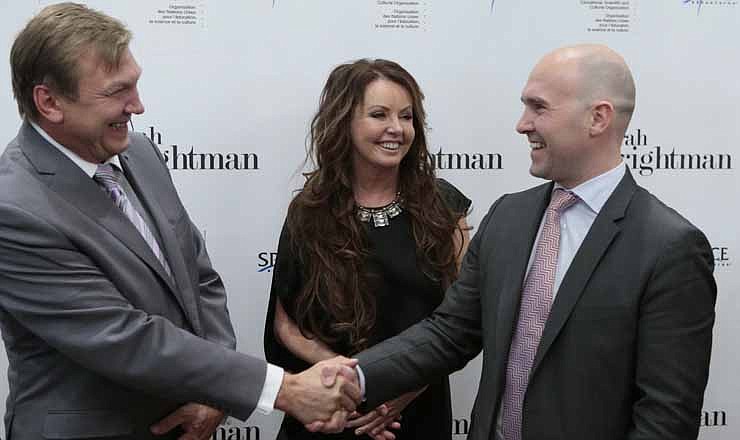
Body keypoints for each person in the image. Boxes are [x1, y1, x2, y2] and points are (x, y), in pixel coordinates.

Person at [0, 4, 359, 440]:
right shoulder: (15, 210)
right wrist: (282, 389)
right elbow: (123, 337)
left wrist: (214, 395)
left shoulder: (138, 153)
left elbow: (198, 276)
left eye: (135, 84)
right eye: (117, 92)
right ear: (49, 102)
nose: (138, 105)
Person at [354, 44, 717, 440]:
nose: (522, 124)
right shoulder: (508, 217)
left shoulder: (670, 248)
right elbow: (450, 333)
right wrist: (352, 375)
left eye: (538, 108)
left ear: (598, 117)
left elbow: (666, 420)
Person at [264, 59, 472, 440]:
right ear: (345, 121)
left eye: (407, 116)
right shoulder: (310, 210)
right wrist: (354, 383)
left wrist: (400, 388)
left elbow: (461, 324)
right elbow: (287, 325)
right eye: (379, 114)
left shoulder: (446, 209)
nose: (396, 128)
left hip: (413, 411)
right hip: (330, 408)